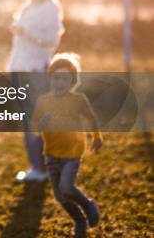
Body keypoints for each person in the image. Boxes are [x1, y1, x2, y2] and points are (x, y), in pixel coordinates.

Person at [31, 53, 102, 238]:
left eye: (65, 79)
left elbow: (91, 118)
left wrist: (96, 136)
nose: (59, 83)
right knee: (60, 196)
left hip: (72, 151)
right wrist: (41, 124)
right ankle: (79, 220)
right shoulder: (43, 101)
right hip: (51, 153)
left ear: (72, 81)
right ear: (50, 78)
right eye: (56, 78)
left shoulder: (78, 99)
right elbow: (34, 128)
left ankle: (87, 205)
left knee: (67, 187)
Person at [8, 0, 64, 182]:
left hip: (35, 70)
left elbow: (52, 41)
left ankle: (41, 169)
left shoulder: (50, 7)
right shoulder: (27, 6)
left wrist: (25, 32)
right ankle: (38, 166)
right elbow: (20, 43)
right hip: (19, 69)